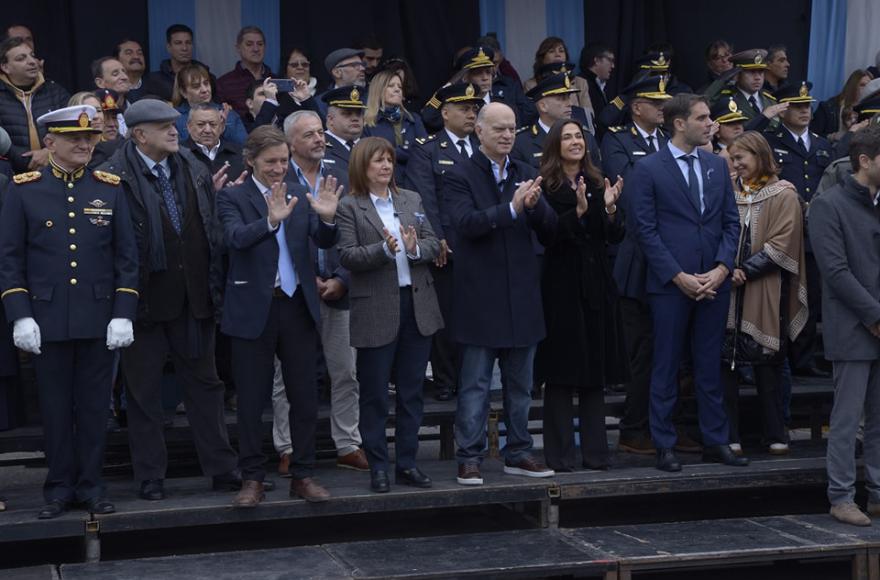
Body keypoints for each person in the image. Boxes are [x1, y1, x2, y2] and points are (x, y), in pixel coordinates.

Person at [98, 99, 241, 502]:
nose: (174, 131)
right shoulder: (112, 176)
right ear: (140, 134)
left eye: (174, 124)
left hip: (193, 298)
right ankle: (150, 475)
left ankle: (222, 468)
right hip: (141, 303)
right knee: (143, 394)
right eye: (164, 127)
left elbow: (206, 230)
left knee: (207, 387)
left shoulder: (194, 167)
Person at [0, 104, 139, 519]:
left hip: (100, 317)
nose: (84, 144)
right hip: (46, 319)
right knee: (56, 409)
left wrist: (124, 311)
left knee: (96, 408)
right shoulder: (24, 189)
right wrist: (20, 314)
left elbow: (126, 258)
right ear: (50, 142)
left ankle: (93, 486)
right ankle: (59, 487)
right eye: (74, 138)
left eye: (89, 138)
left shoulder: (110, 187)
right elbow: (10, 259)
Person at [217, 125, 341, 506]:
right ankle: (251, 478)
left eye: (284, 161)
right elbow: (234, 239)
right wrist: (270, 221)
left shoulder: (301, 194)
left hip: (297, 305)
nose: (278, 168)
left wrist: (329, 219)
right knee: (252, 400)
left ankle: (303, 474)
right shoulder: (232, 197)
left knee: (304, 397)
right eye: (270, 162)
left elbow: (323, 241)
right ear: (250, 160)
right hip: (254, 306)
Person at [629, 93, 747, 472]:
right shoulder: (648, 169)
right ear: (680, 123)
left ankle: (716, 440)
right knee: (665, 364)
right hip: (670, 285)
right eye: (703, 117)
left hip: (713, 281)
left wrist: (722, 268)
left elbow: (731, 223)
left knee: (709, 365)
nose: (710, 123)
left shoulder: (716, 165)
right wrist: (677, 276)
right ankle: (663, 443)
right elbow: (644, 231)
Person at [444, 102, 557, 485]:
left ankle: (519, 451)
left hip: (522, 294)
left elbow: (550, 229)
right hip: (480, 296)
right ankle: (470, 456)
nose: (508, 135)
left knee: (521, 385)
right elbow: (464, 224)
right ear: (479, 131)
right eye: (499, 129)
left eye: (512, 129)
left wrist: (536, 206)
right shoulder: (460, 174)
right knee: (476, 384)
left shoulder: (527, 172)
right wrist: (510, 209)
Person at [336, 137, 443, 493]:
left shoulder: (411, 199)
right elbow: (348, 256)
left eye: (389, 161)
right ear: (361, 167)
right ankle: (378, 466)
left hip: (417, 305)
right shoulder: (350, 206)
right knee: (375, 394)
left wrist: (415, 249)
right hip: (375, 307)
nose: (385, 167)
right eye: (377, 161)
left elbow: (433, 243)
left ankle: (408, 464)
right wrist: (383, 249)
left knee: (412, 391)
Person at [271, 109, 368, 475]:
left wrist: (343, 276)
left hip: (340, 289)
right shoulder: (279, 177)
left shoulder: (341, 175)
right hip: (296, 292)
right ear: (290, 142)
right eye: (309, 134)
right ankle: (288, 447)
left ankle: (347, 444)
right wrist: (303, 275)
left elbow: (362, 228)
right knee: (287, 376)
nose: (319, 138)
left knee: (346, 372)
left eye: (320, 132)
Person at [536, 119, 627, 471]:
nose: (575, 142)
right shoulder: (546, 185)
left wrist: (608, 208)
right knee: (560, 373)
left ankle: (596, 453)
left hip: (597, 284)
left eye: (579, 136)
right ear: (555, 145)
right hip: (561, 285)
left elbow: (615, 235)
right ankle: (559, 456)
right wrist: (577, 213)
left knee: (595, 371)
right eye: (568, 137)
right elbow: (548, 234)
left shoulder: (595, 180)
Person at [810, 124, 880, 527]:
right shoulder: (829, 205)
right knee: (847, 418)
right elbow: (836, 272)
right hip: (852, 326)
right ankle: (841, 496)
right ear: (864, 161)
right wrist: (874, 316)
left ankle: (877, 492)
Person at [722, 131, 807, 455]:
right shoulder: (730, 192)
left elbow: (784, 241)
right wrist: (727, 268)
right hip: (729, 289)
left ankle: (775, 434)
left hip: (766, 289)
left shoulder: (783, 194)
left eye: (741, 158)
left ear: (759, 156)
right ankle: (731, 434)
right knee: (726, 362)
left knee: (768, 364)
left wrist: (746, 271)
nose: (736, 164)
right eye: (733, 159)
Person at [601, 76, 671, 455]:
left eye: (665, 101)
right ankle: (633, 427)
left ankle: (661, 426)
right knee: (641, 350)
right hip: (637, 260)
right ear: (635, 107)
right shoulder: (617, 139)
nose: (661, 107)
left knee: (669, 351)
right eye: (653, 101)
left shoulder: (669, 142)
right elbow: (627, 193)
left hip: (671, 258)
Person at [404, 83, 482, 402]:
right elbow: (423, 198)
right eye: (464, 108)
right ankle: (447, 380)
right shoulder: (428, 148)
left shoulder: (483, 145)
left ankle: (474, 378)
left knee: (478, 315)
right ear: (445, 113)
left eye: (474, 108)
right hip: (447, 246)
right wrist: (436, 239)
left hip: (481, 243)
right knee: (447, 317)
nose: (471, 113)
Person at [763, 81, 832, 378]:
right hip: (780, 230)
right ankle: (777, 357)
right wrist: (765, 117)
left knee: (810, 295)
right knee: (780, 295)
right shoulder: (770, 140)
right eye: (797, 106)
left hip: (814, 232)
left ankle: (803, 359)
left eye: (807, 105)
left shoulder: (822, 144)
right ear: (782, 109)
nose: (805, 111)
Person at [0, 36, 69, 172]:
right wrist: (30, 160)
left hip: (55, 171)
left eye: (32, 56)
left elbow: (72, 129)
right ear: (5, 67)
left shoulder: (55, 91)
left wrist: (49, 153)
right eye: (21, 58)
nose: (32, 62)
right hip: (11, 176)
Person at [514, 73, 601, 170]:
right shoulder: (521, 142)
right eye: (562, 99)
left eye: (569, 97)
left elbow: (598, 178)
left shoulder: (586, 138)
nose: (570, 103)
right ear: (543, 106)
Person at [363, 70, 427, 183]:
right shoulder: (367, 123)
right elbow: (371, 155)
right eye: (391, 86)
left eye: (400, 87)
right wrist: (407, 152)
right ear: (378, 90)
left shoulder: (414, 119)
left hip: (416, 181)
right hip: (383, 183)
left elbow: (424, 152)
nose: (397, 89)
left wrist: (391, 152)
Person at [172, 64, 247, 145]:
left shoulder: (227, 113)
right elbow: (177, 150)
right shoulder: (175, 118)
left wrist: (224, 128)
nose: (204, 90)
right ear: (183, 92)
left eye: (206, 83)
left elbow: (244, 147)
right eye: (196, 86)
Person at [143, 24, 215, 102]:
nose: (184, 48)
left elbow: (216, 104)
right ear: (169, 47)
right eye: (178, 43)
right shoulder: (154, 81)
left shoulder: (208, 77)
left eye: (188, 42)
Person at [523, 37, 593, 114]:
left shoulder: (580, 82)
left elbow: (588, 114)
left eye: (561, 51)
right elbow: (532, 115)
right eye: (551, 51)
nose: (557, 54)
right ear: (542, 58)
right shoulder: (531, 85)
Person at [216, 26, 273, 118]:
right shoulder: (223, 83)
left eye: (260, 44)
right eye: (249, 44)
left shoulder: (276, 79)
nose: (256, 49)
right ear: (238, 48)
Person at [182, 103, 247, 180]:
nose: (207, 130)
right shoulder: (179, 154)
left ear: (221, 127)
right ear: (189, 127)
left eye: (213, 124)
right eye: (201, 124)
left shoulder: (239, 153)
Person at [812, 70, 872, 143]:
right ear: (852, 87)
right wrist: (832, 137)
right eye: (862, 85)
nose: (867, 88)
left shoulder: (872, 109)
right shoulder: (828, 107)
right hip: (831, 150)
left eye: (869, 86)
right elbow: (812, 135)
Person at [322, 85, 366, 171]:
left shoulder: (369, 146)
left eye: (358, 114)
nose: (355, 118)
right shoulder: (319, 145)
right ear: (331, 119)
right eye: (347, 113)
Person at [316, 48, 366, 115]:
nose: (362, 69)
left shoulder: (372, 99)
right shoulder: (321, 103)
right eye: (355, 65)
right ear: (337, 72)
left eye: (362, 64)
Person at [579, 44, 615, 119]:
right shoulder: (580, 83)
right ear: (597, 60)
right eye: (610, 60)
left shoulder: (605, 85)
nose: (612, 66)